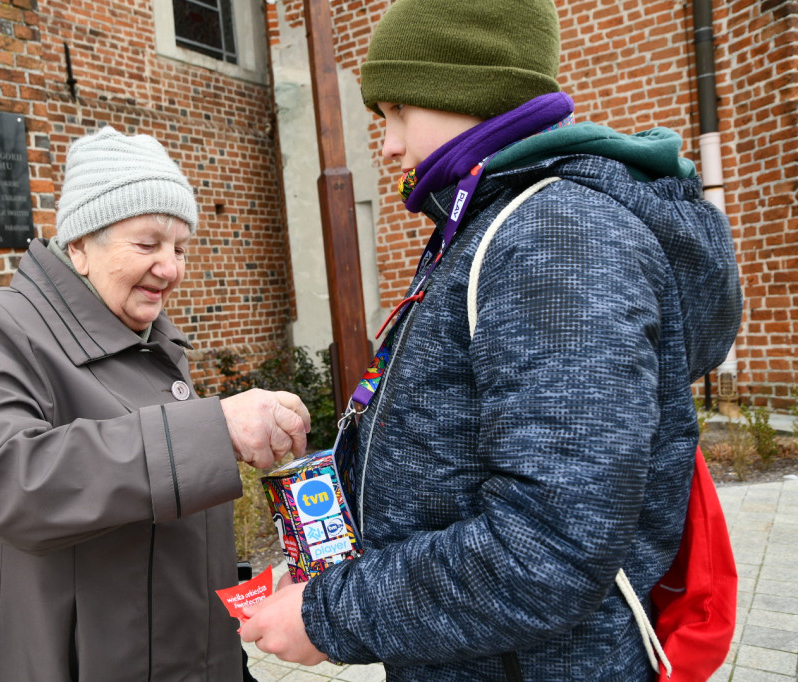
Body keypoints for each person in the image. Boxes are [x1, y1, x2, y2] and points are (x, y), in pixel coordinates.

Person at [240, 0, 742, 679]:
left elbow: (550, 547)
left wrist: (329, 615)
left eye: (395, 113)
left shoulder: (557, 239)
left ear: (463, 91)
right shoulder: (493, 222)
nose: (387, 145)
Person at [0, 126, 311, 681]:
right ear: (81, 246)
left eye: (181, 248)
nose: (172, 268)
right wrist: (216, 429)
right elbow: (6, 482)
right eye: (148, 243)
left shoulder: (150, 340)